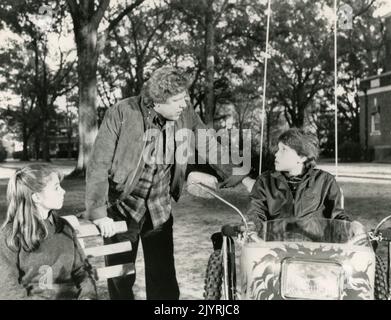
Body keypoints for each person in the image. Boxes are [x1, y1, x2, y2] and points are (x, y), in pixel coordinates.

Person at [85, 65, 254, 300]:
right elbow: (98, 164)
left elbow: (209, 144)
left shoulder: (184, 114)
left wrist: (243, 178)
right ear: (157, 100)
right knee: (121, 279)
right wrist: (99, 212)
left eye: (185, 98)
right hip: (122, 209)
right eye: (177, 101)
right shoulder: (122, 113)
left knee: (164, 281)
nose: (183, 105)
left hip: (159, 209)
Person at [0, 164, 97, 300]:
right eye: (56, 188)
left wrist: (87, 296)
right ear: (36, 198)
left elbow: (82, 271)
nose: (63, 191)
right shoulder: (11, 235)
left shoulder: (64, 228)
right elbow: (8, 288)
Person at [245, 128, 360, 241]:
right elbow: (256, 212)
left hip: (315, 250)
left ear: (302, 157)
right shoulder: (265, 181)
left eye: (283, 150)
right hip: (275, 249)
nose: (276, 154)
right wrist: (251, 226)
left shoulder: (325, 181)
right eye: (278, 149)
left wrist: (352, 226)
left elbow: (337, 217)